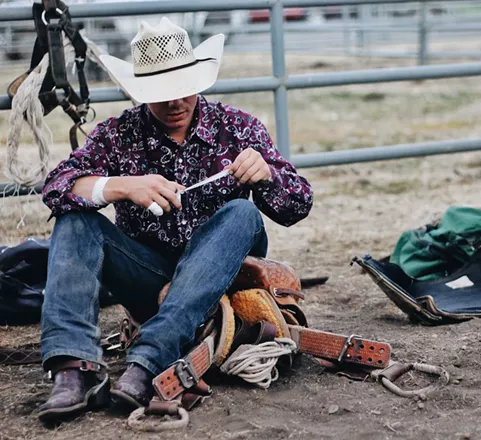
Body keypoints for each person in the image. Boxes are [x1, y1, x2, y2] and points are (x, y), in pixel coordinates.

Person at [36, 17, 313, 421]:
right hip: (151, 279)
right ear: (140, 92)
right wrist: (121, 186)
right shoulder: (118, 135)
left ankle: (150, 358)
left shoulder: (237, 128)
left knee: (241, 212)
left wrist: (268, 175)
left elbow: (299, 204)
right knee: (75, 220)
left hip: (223, 286)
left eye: (183, 90)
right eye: (160, 93)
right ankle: (72, 368)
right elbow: (57, 187)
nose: (175, 103)